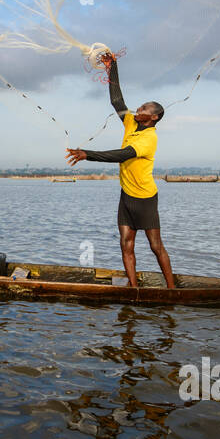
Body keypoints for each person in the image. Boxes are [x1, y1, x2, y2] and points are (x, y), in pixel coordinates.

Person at [65, 52, 176, 293]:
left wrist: (88, 154)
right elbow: (117, 100)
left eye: (144, 107)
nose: (139, 107)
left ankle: (172, 289)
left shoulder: (149, 138)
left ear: (154, 117)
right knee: (126, 245)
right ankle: (133, 290)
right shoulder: (131, 123)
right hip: (126, 196)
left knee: (156, 246)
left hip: (145, 198)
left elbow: (122, 154)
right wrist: (112, 66)